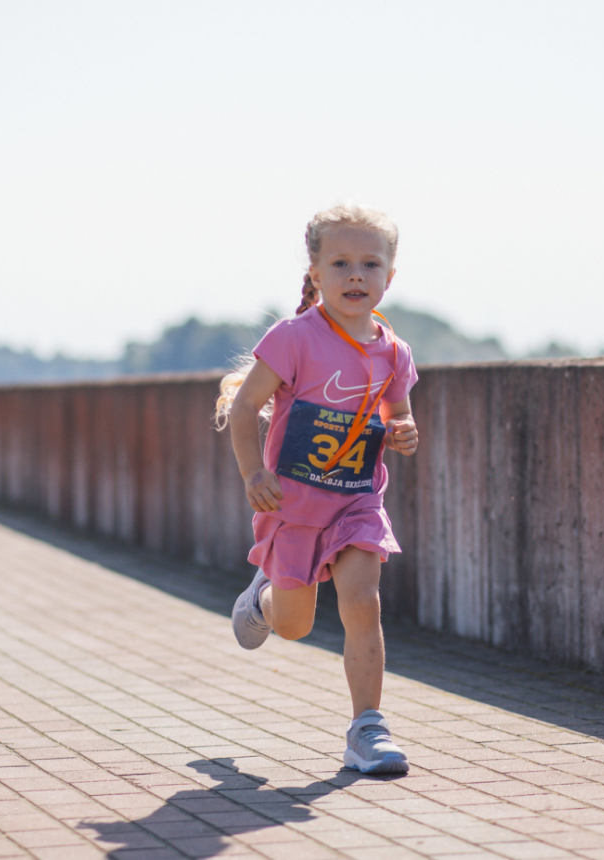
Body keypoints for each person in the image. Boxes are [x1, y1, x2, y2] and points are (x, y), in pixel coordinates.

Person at [214, 204, 421, 775]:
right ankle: (262, 599)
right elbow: (246, 405)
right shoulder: (294, 338)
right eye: (341, 263)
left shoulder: (394, 351)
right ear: (315, 273)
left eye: (370, 264)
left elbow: (398, 416)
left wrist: (404, 433)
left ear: (389, 277)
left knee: (363, 603)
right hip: (294, 506)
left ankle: (367, 730)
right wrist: (254, 474)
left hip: (356, 501)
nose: (356, 275)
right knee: (295, 626)